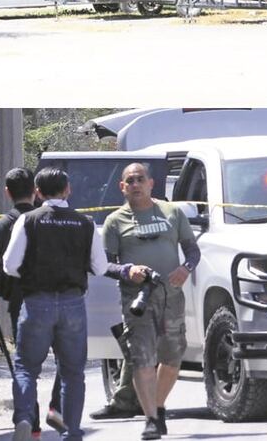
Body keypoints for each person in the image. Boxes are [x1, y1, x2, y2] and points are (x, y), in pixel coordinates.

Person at [3, 167, 125, 441]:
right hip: (72, 303)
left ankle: (23, 418)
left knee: (26, 368)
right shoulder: (84, 223)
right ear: (67, 190)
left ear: (37, 192)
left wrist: (34, 275)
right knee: (72, 373)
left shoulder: (28, 221)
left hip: (36, 302)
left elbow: (10, 265)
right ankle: (71, 431)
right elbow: (100, 265)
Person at [102, 163, 200, 440]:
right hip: (138, 301)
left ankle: (158, 406)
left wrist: (186, 268)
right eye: (129, 181)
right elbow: (103, 265)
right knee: (142, 359)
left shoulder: (172, 213)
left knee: (171, 359)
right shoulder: (115, 221)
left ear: (150, 183)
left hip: (171, 298)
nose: (135, 184)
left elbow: (192, 250)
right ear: (122, 187)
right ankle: (151, 419)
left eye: (139, 179)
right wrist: (126, 271)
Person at [0, 167, 65, 437]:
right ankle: (58, 407)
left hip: (22, 303)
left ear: (7, 192)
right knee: (67, 359)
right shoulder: (50, 221)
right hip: (60, 299)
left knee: (26, 367)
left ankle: (30, 422)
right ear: (35, 190)